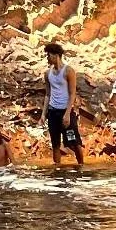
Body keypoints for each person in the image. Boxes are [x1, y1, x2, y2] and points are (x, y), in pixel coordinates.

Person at [43, 41, 85, 170]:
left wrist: (67, 114)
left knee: (73, 142)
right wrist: (43, 114)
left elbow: (72, 93)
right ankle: (57, 169)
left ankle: (81, 166)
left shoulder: (68, 71)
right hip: (53, 112)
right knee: (55, 143)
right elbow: (47, 94)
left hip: (65, 112)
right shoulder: (47, 73)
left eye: (49, 55)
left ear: (56, 55)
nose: (47, 58)